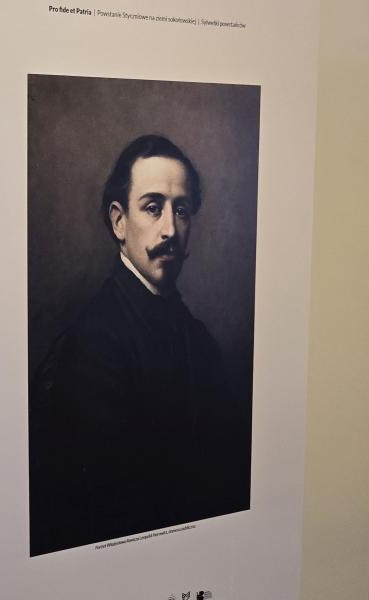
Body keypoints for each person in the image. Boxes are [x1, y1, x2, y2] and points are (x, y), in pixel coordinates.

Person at [29, 134, 250, 556]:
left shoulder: (199, 340)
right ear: (119, 222)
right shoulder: (92, 345)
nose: (170, 229)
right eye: (153, 208)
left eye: (181, 210)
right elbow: (101, 510)